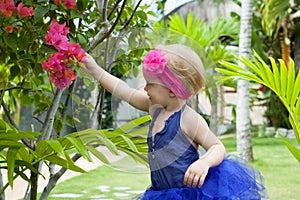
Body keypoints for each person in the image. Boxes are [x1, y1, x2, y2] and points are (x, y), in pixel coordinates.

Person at [83, 44, 268, 199]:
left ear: (172, 90)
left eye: (150, 84)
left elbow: (217, 146)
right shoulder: (153, 108)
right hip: (159, 193)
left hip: (188, 193)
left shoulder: (189, 119)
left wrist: (203, 163)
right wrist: (94, 69)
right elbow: (123, 89)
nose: (145, 87)